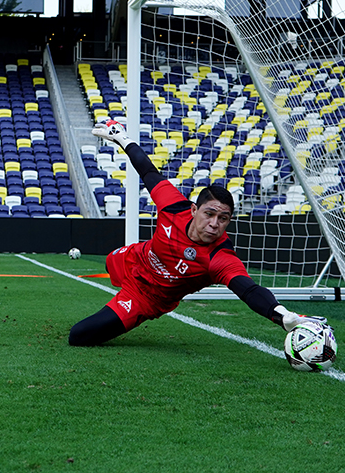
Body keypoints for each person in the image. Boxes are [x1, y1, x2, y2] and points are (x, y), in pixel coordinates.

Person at [68, 120, 325, 346]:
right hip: (135, 258)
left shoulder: (220, 258)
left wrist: (282, 315)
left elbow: (248, 290)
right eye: (209, 214)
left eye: (223, 219)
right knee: (108, 261)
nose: (215, 223)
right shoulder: (173, 206)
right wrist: (123, 138)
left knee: (80, 336)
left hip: (146, 297)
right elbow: (147, 171)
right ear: (194, 210)